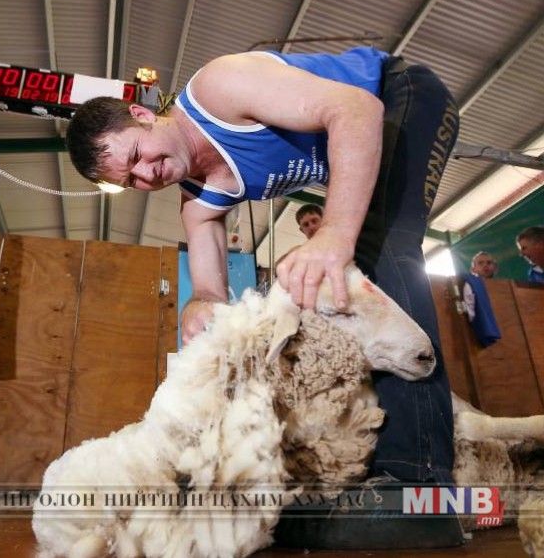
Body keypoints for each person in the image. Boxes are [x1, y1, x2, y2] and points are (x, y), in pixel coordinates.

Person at [66, 46, 462, 548]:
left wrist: (333, 235)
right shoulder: (197, 201)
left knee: (378, 246)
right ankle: (374, 465)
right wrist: (201, 305)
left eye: (136, 157)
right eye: (130, 181)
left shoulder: (219, 89)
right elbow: (208, 290)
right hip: (368, 125)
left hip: (401, 93)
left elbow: (356, 109)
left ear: (143, 115)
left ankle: (420, 487)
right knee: (342, 266)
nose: (147, 176)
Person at [463, 251, 498, 321]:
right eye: (480, 263)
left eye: (489, 263)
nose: (485, 265)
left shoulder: (503, 288)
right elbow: (470, 316)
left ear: (495, 268)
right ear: (473, 270)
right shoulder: (470, 287)